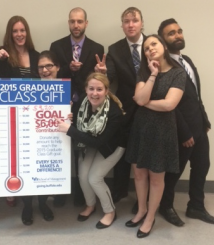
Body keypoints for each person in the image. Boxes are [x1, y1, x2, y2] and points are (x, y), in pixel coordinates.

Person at [0, 16, 55, 226]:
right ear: (10, 33)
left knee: (38, 162)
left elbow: (50, 79)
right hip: (15, 119)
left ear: (27, 32)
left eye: (22, 30)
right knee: (23, 163)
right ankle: (27, 205)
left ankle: (43, 203)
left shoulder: (37, 55)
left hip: (39, 117)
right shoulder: (5, 57)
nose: (19, 34)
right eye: (15, 31)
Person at [157, 19, 214, 226]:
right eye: (171, 33)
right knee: (174, 171)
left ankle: (196, 206)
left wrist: (205, 120)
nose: (177, 35)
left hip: (200, 127)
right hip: (181, 130)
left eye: (179, 31)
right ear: (163, 40)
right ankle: (165, 206)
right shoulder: (164, 68)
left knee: (202, 166)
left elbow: (195, 95)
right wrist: (184, 133)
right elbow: (171, 105)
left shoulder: (188, 61)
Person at [124, 35, 186, 238]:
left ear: (164, 46)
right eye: (146, 47)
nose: (150, 49)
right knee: (140, 174)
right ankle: (141, 210)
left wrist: (144, 102)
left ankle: (150, 217)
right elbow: (140, 98)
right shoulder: (143, 71)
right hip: (141, 129)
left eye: (154, 44)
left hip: (162, 131)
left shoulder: (178, 73)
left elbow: (169, 104)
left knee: (157, 178)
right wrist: (152, 74)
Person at [50, 7, 104, 208]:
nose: (76, 25)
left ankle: (81, 191)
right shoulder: (56, 46)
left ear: (86, 23)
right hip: (60, 104)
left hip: (86, 105)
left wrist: (92, 72)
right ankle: (61, 189)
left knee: (81, 147)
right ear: (68, 23)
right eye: (72, 21)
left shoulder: (97, 47)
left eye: (80, 21)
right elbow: (52, 72)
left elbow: (98, 80)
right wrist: (67, 69)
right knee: (60, 147)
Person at [56, 72, 125, 229]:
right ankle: (90, 205)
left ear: (106, 91)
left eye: (99, 89)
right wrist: (70, 118)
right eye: (91, 88)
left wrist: (70, 130)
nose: (95, 93)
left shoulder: (114, 112)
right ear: (86, 89)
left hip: (111, 147)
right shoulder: (82, 101)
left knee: (94, 178)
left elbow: (99, 142)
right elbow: (79, 125)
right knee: (83, 175)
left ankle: (110, 211)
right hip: (90, 143)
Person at [95, 7, 146, 204]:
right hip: (126, 108)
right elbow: (111, 78)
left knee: (147, 151)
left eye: (134, 20)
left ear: (142, 23)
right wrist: (103, 73)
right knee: (123, 149)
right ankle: (120, 190)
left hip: (152, 106)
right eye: (126, 21)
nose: (131, 24)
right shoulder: (115, 49)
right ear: (122, 25)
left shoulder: (153, 43)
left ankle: (145, 197)